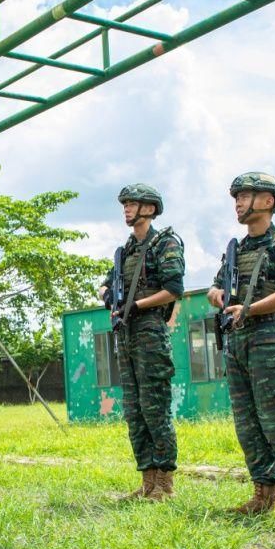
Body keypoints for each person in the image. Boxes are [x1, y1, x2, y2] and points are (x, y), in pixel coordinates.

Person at [207, 172, 275, 516]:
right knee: (247, 421)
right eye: (236, 196)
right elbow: (215, 286)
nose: (238, 202)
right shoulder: (236, 249)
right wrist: (217, 295)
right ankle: (261, 491)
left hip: (268, 337)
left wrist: (250, 309)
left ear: (268, 201)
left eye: (246, 195)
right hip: (236, 340)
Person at [98, 184, 184, 501]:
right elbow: (107, 284)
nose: (126, 209)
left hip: (150, 330)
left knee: (155, 408)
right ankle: (147, 481)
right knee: (134, 411)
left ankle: (164, 483)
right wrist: (110, 297)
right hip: (127, 332)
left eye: (132, 204)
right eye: (124, 205)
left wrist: (137, 306)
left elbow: (174, 288)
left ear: (149, 208)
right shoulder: (126, 251)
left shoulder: (165, 244)